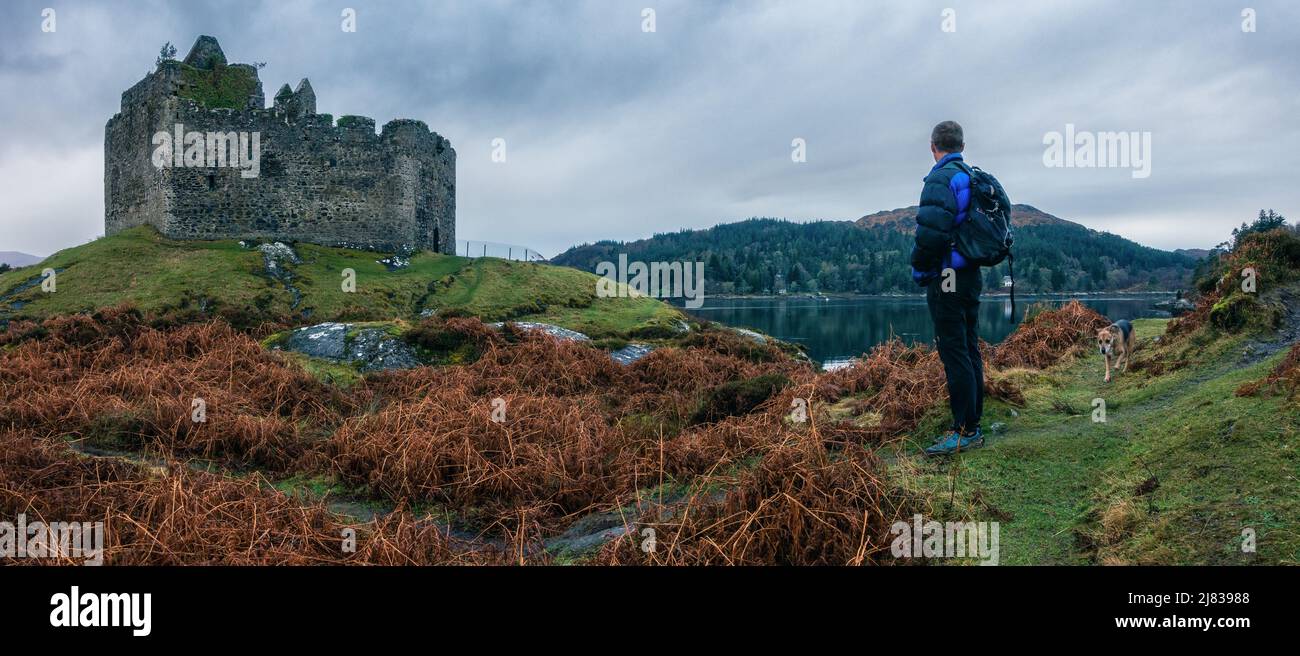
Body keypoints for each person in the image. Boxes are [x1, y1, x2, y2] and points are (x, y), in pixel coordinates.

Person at [910, 120, 992, 456]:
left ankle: (964, 431)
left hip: (948, 277)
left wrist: (919, 269)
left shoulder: (941, 177)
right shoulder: (970, 175)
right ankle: (972, 421)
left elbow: (931, 233)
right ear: (961, 144)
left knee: (954, 350)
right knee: (969, 347)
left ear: (933, 147)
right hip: (971, 274)